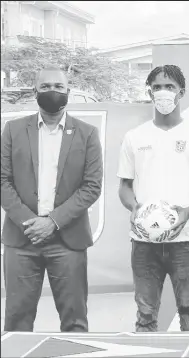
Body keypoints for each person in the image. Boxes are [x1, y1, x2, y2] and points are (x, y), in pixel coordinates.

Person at [1, 66, 103, 332]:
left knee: (75, 322)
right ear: (35, 92)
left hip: (68, 241)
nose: (52, 92)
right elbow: (2, 181)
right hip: (22, 240)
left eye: (58, 87)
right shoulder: (12, 130)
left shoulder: (87, 133)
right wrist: (30, 222)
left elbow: (91, 187)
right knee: (17, 323)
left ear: (68, 92)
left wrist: (52, 222)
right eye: (45, 87)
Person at [117, 65, 189, 332]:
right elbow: (124, 187)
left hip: (185, 241)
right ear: (149, 92)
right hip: (144, 241)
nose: (163, 92)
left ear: (181, 92)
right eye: (157, 87)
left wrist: (186, 213)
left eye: (169, 87)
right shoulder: (134, 137)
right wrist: (134, 207)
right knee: (146, 315)